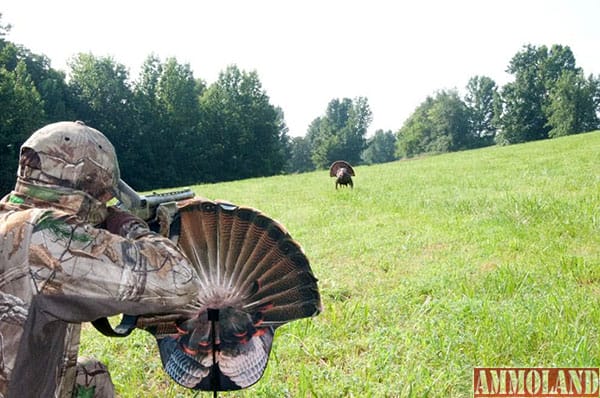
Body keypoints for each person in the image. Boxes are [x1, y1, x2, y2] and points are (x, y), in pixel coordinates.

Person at [0, 121, 200, 397]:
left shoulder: (11, 218)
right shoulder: (48, 236)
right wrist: (128, 226)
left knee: (93, 377)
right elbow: (180, 280)